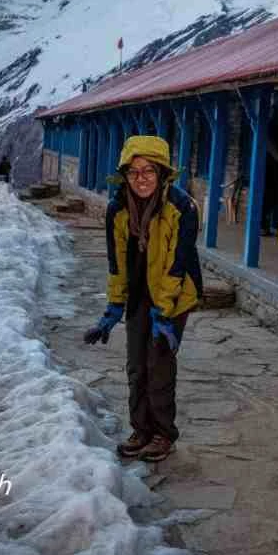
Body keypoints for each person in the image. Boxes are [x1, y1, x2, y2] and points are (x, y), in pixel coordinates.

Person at [83, 135, 202, 463]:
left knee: (159, 364)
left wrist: (163, 312)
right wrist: (113, 307)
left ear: (163, 173)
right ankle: (141, 429)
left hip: (173, 296)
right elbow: (116, 262)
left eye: (149, 170)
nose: (141, 178)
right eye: (134, 172)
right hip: (138, 296)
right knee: (136, 366)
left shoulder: (182, 207)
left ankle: (164, 433)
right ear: (124, 175)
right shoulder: (117, 210)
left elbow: (177, 264)